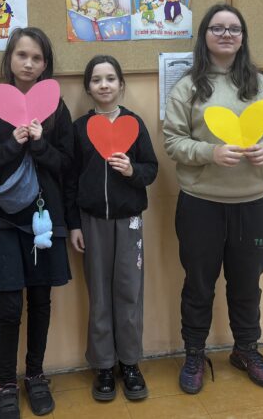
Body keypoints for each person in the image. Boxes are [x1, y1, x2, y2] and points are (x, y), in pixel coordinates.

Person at [163, 4, 263, 394]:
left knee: (247, 284)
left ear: (242, 37)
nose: (226, 34)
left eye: (234, 29)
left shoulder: (260, 83)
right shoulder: (188, 86)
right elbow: (173, 141)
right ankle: (194, 354)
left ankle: (246, 350)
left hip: (252, 203)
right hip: (200, 203)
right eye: (217, 28)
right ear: (204, 35)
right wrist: (210, 152)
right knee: (198, 284)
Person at [0, 28, 76, 419]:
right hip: (2, 221)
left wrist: (40, 144)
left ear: (46, 65)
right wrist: (12, 143)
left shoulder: (56, 108)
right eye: (22, 55)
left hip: (45, 221)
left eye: (37, 58)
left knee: (41, 301)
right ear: (9, 58)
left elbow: (67, 165)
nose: (29, 63)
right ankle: (6, 383)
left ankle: (36, 376)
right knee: (9, 306)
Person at [66, 56, 158, 402]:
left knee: (129, 292)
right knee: (100, 296)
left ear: (121, 84)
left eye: (110, 78)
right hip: (92, 223)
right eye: (96, 79)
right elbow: (69, 181)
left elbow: (151, 169)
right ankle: (104, 365)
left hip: (129, 222)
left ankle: (130, 363)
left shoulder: (135, 124)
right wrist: (74, 224)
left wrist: (132, 171)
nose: (103, 85)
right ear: (88, 87)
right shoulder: (78, 128)